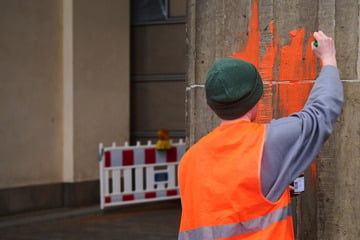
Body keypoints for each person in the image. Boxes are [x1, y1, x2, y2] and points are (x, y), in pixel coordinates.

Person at [178, 31, 343, 240]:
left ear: (213, 104)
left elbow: (225, 206)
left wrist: (271, 187)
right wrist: (328, 59)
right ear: (256, 98)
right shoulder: (268, 141)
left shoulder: (189, 160)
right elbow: (320, 114)